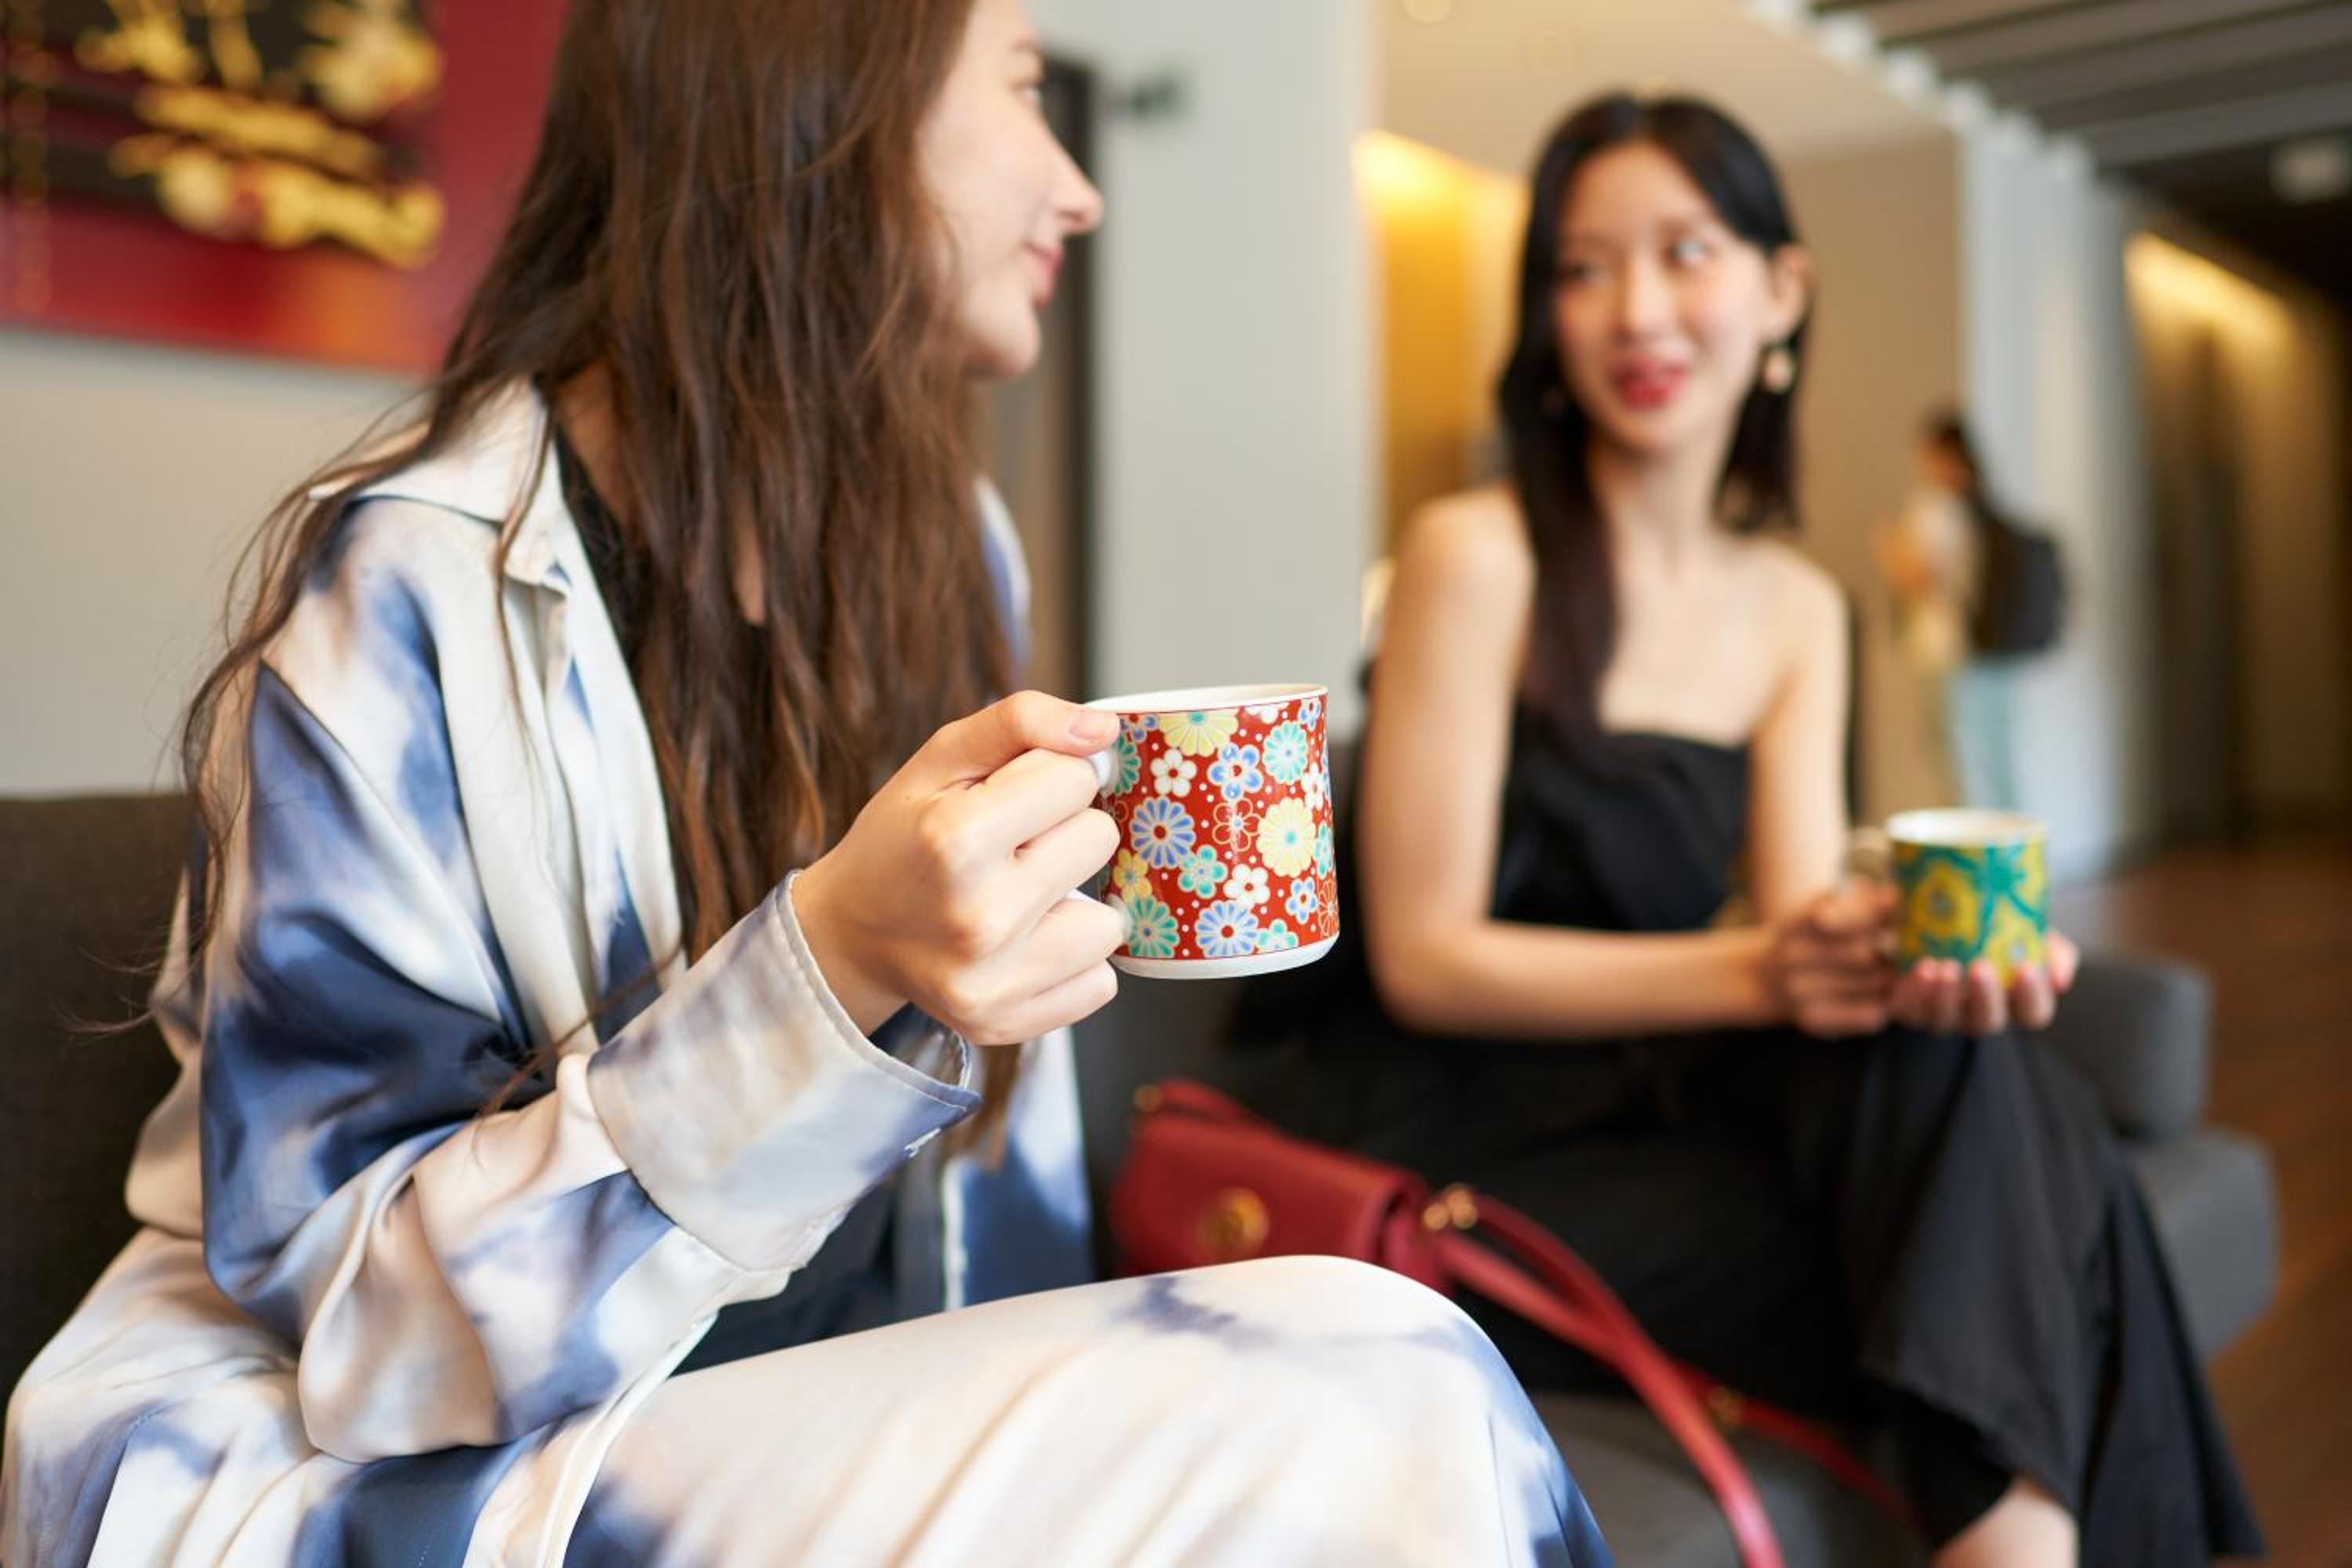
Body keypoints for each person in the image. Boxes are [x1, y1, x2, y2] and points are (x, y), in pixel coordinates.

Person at [0, 3, 1607, 1562]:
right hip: (402, 1474)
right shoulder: (403, 588)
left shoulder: (950, 547)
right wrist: (833, 964)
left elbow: (991, 1218)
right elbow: (370, 1338)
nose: (1079, 186)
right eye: (1023, 86)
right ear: (823, 115)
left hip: (788, 1408)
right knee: (1379, 1374)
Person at [1240, 94, 2258, 1568]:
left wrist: (1902, 967)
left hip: (1672, 1110)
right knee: (2014, 1221)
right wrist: (1769, 971)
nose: (1636, 310)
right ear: (1545, 314)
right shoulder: (1477, 555)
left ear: (1783, 291)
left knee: (1966, 1093)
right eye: (1583, 267)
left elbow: (1799, 945)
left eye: (1685, 252)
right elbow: (1429, 961)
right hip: (1467, 1135)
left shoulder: (1797, 608)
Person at [1874, 412, 2029, 811]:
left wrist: (1890, 551)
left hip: (1945, 648)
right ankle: (2009, 839)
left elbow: (1922, 579)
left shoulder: (1935, 509)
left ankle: (1966, 839)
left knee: (1954, 751)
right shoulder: (1979, 510)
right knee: (1995, 751)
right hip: (1990, 647)